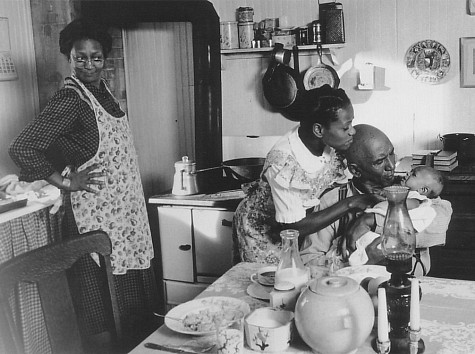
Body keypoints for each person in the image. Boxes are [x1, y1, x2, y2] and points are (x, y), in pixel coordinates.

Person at [9, 18, 156, 345]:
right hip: (93, 219)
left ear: (106, 59)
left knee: (126, 302)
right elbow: (23, 147)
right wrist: (65, 182)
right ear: (69, 58)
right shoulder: (72, 99)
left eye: (96, 57)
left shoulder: (104, 93)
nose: (89, 64)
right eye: (81, 57)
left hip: (122, 219)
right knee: (99, 305)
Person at [232, 85, 378, 265]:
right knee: (273, 285)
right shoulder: (284, 161)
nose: (352, 131)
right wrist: (350, 203)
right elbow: (294, 227)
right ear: (318, 130)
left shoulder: (330, 143)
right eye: (346, 127)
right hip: (262, 231)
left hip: (302, 224)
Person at [300, 124, 453, 276]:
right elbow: (309, 261)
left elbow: (440, 222)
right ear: (355, 170)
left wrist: (371, 220)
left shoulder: (408, 189)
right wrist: (363, 264)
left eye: (392, 153)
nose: (392, 165)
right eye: (379, 162)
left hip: (412, 283)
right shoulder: (333, 200)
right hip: (354, 290)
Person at [328, 165, 446, 267]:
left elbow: (400, 205)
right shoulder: (334, 196)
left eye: (413, 174)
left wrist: (376, 210)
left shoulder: (416, 198)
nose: (407, 174)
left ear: (423, 189)